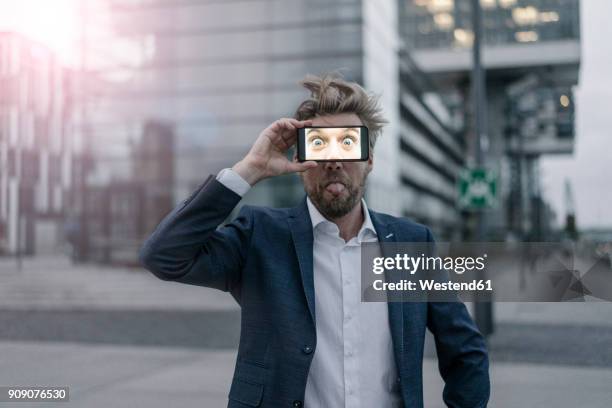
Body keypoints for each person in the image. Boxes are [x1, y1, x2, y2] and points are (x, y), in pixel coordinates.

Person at [139, 73, 490, 408]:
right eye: (320, 145)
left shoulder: (411, 244)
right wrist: (250, 168)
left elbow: (465, 349)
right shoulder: (260, 235)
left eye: (348, 144)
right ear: (300, 159)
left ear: (368, 159)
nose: (334, 161)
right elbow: (164, 256)